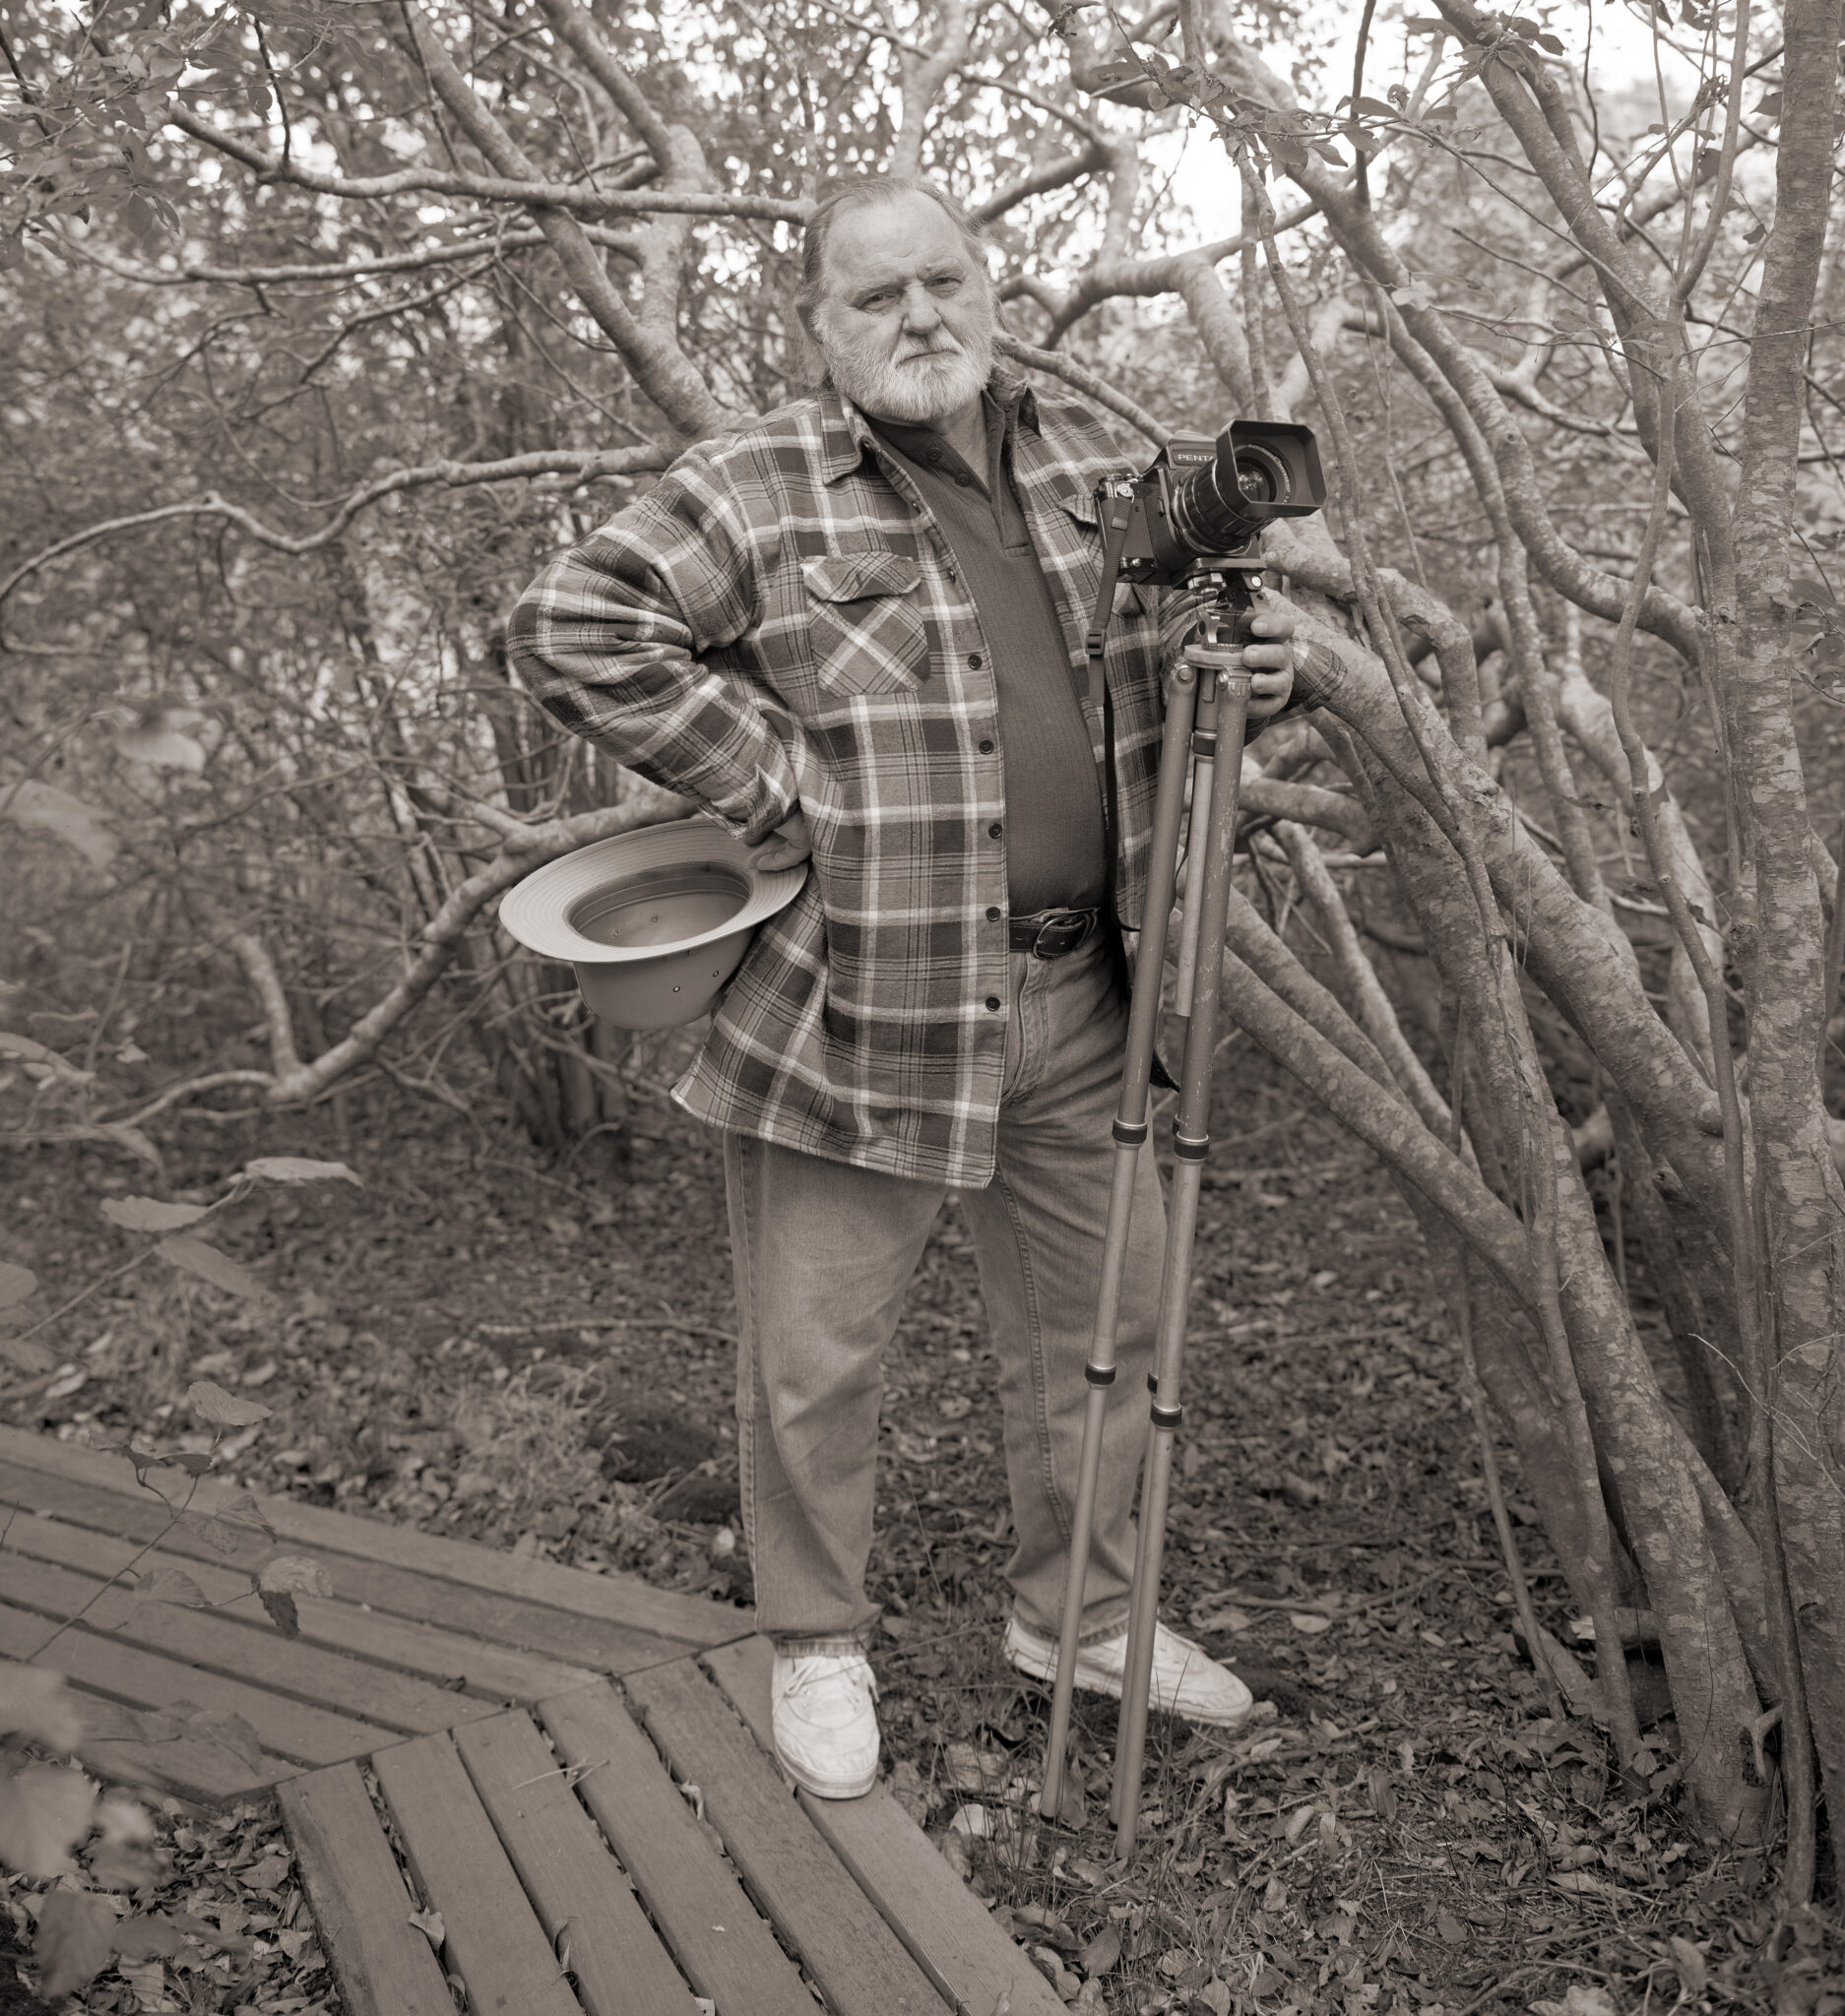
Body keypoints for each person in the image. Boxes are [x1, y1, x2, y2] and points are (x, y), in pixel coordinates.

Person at [507, 173, 1341, 1799]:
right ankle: (817, 1641)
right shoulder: (756, 484)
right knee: (816, 1355)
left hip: (1094, 995)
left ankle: (1082, 1622)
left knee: (1113, 1327)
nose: (919, 318)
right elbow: (570, 623)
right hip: (855, 1008)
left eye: (943, 281)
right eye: (875, 296)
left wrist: (1265, 670)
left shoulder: (1106, 478)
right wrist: (775, 783)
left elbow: (1193, 669)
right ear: (819, 324)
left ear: (991, 284)